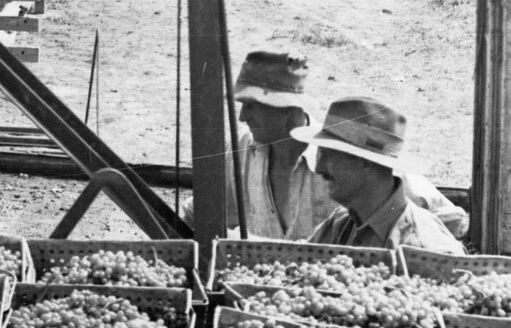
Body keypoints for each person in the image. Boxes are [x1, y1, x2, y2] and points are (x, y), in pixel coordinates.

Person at [184, 50, 470, 241]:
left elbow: (451, 221)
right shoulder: (242, 150)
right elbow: (199, 213)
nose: (243, 116)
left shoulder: (349, 153)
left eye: (253, 106)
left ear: (289, 110)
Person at [300, 96, 466, 255]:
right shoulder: (342, 223)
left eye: (329, 155)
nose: (319, 168)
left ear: (365, 161)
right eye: (320, 154)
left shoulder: (425, 249)